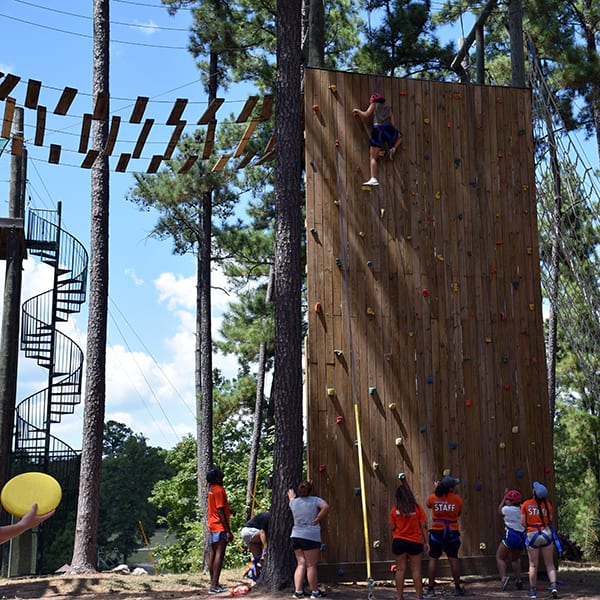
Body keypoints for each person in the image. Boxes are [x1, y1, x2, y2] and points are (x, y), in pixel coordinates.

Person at [390, 475, 429, 600]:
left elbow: (392, 527)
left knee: (400, 569)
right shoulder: (417, 509)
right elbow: (423, 527)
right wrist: (426, 542)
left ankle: (400, 597)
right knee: (416, 571)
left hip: (399, 541)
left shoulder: (395, 510)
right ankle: (419, 597)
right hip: (415, 542)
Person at [288, 481, 329, 599]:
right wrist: (318, 518)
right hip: (310, 536)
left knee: (301, 564)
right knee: (311, 565)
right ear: (310, 491)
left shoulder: (293, 503)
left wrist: (291, 497)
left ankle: (298, 591)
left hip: (295, 535)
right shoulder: (316, 500)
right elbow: (326, 507)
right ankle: (315, 592)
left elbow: (291, 500)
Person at [352, 92, 403, 187]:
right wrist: (391, 134)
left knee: (373, 157)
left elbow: (366, 115)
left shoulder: (374, 105)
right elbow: (393, 124)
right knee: (400, 136)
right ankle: (393, 148)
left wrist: (358, 111)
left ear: (373, 100)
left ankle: (373, 178)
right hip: (387, 129)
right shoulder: (388, 109)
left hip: (378, 129)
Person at [425, 476, 464, 597]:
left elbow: (428, 505)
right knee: (453, 558)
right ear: (451, 488)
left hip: (437, 531)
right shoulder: (457, 499)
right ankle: (457, 588)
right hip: (452, 531)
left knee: (433, 559)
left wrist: (436, 490)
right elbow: (458, 513)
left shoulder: (433, 497)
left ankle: (431, 588)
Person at [521, 481, 558, 599]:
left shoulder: (526, 504)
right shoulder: (548, 505)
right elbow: (549, 520)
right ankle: (553, 587)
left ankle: (533, 592)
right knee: (550, 564)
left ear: (534, 492)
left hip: (532, 535)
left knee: (533, 565)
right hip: (546, 534)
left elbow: (523, 523)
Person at [207, 466, 234, 594]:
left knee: (213, 553)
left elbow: (220, 507)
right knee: (219, 554)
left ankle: (214, 582)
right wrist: (228, 531)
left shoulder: (212, 489)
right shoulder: (218, 490)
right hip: (219, 526)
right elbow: (220, 510)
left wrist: (230, 511)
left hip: (213, 525)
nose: (222, 473)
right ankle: (214, 586)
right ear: (217, 477)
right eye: (220, 473)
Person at [496, 489, 525, 591]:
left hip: (510, 535)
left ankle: (503, 578)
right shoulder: (522, 508)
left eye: (508, 499)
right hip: (521, 536)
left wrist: (504, 497)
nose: (506, 500)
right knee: (515, 559)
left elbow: (499, 510)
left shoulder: (506, 509)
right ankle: (518, 579)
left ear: (511, 501)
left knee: (500, 557)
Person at [241, 511, 269, 580]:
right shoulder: (268, 516)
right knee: (267, 537)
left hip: (247, 534)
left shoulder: (266, 515)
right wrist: (265, 548)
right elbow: (262, 532)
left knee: (258, 560)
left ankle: (255, 578)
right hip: (249, 531)